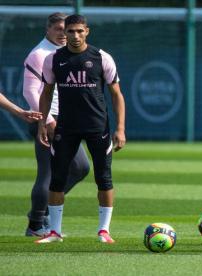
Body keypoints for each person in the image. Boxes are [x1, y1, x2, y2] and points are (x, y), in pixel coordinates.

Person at [35, 14, 126, 243]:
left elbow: (117, 95)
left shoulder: (101, 57)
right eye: (70, 31)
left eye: (79, 31)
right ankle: (54, 232)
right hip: (66, 127)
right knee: (57, 179)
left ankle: (104, 231)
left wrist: (121, 128)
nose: (75, 36)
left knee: (103, 178)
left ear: (87, 32)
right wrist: (42, 124)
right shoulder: (53, 59)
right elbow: (46, 94)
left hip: (98, 127)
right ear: (64, 33)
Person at [22, 12, 90, 237]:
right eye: (59, 29)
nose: (64, 34)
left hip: (67, 121)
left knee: (80, 168)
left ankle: (42, 215)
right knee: (48, 173)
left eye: (66, 29)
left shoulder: (63, 53)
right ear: (48, 29)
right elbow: (30, 91)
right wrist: (47, 120)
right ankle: (35, 224)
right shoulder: (39, 54)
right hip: (48, 121)